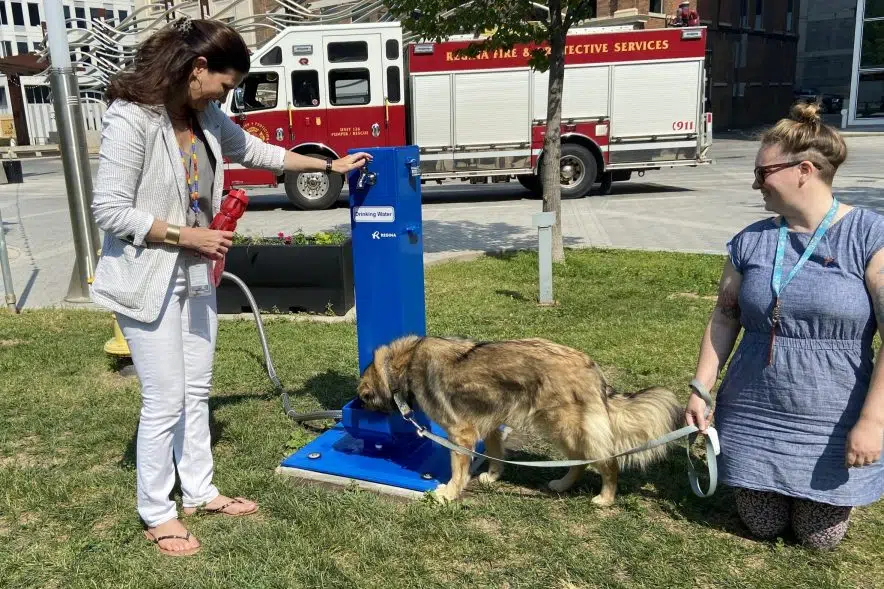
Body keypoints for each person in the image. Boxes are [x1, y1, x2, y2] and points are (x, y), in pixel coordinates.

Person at [89, 17, 371, 557]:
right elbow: (110, 210)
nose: (228, 94)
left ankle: (199, 491)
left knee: (196, 390)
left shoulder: (205, 116)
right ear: (198, 68)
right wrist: (186, 233)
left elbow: (258, 152)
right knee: (165, 399)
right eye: (226, 82)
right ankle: (156, 511)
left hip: (195, 276)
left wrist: (327, 165)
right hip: (146, 279)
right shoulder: (133, 118)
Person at [684, 102, 883, 550]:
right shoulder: (751, 239)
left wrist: (872, 421)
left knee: (819, 539)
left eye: (763, 173)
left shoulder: (869, 236)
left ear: (804, 170)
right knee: (762, 524)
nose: (756, 183)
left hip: (832, 416)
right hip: (755, 410)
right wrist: (700, 388)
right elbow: (725, 315)